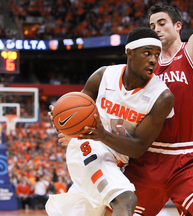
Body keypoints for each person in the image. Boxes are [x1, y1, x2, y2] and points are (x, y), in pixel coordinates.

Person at [45, 27, 174, 216]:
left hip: (117, 157)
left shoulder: (161, 97)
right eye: (147, 53)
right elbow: (73, 111)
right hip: (89, 145)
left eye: (157, 54)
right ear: (129, 52)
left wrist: (103, 135)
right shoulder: (103, 76)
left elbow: (139, 148)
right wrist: (62, 119)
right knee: (126, 199)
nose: (153, 60)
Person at [122, 2, 193, 215]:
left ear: (178, 26)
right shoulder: (145, 66)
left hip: (186, 158)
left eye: (162, 23)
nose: (156, 29)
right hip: (147, 158)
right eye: (152, 25)